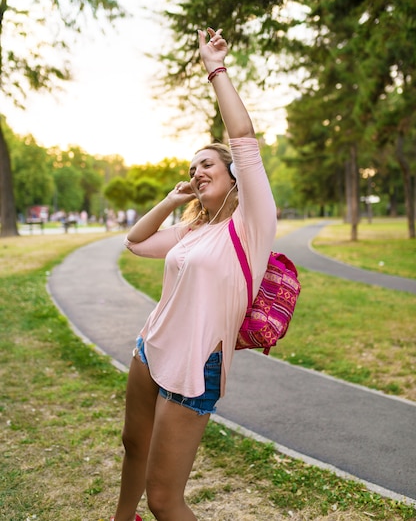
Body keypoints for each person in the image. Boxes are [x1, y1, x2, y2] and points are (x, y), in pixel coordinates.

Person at [111, 27, 277, 521]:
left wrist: (215, 68)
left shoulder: (252, 224)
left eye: (207, 163)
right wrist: (171, 199)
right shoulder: (193, 232)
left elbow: (242, 136)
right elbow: (135, 242)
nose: (198, 169)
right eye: (192, 165)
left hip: (195, 365)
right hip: (150, 346)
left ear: (233, 176)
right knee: (131, 444)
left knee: (165, 499)